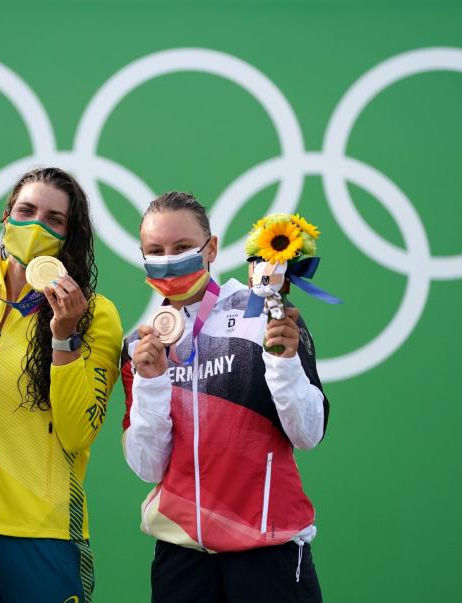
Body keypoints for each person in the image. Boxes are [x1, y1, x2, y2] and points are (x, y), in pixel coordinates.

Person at [121, 191, 328, 602]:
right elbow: (147, 467)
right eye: (155, 251)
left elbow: (309, 433)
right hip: (182, 557)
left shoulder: (265, 315)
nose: (169, 259)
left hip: (268, 550)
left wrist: (284, 363)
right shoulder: (141, 345)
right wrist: (151, 383)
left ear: (211, 248)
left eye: (181, 248)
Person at [0, 167, 123, 603]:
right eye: (26, 210)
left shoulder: (96, 314)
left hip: (43, 535)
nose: (36, 224)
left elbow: (79, 431)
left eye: (54, 219)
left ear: (69, 236)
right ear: (6, 217)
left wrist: (64, 335)